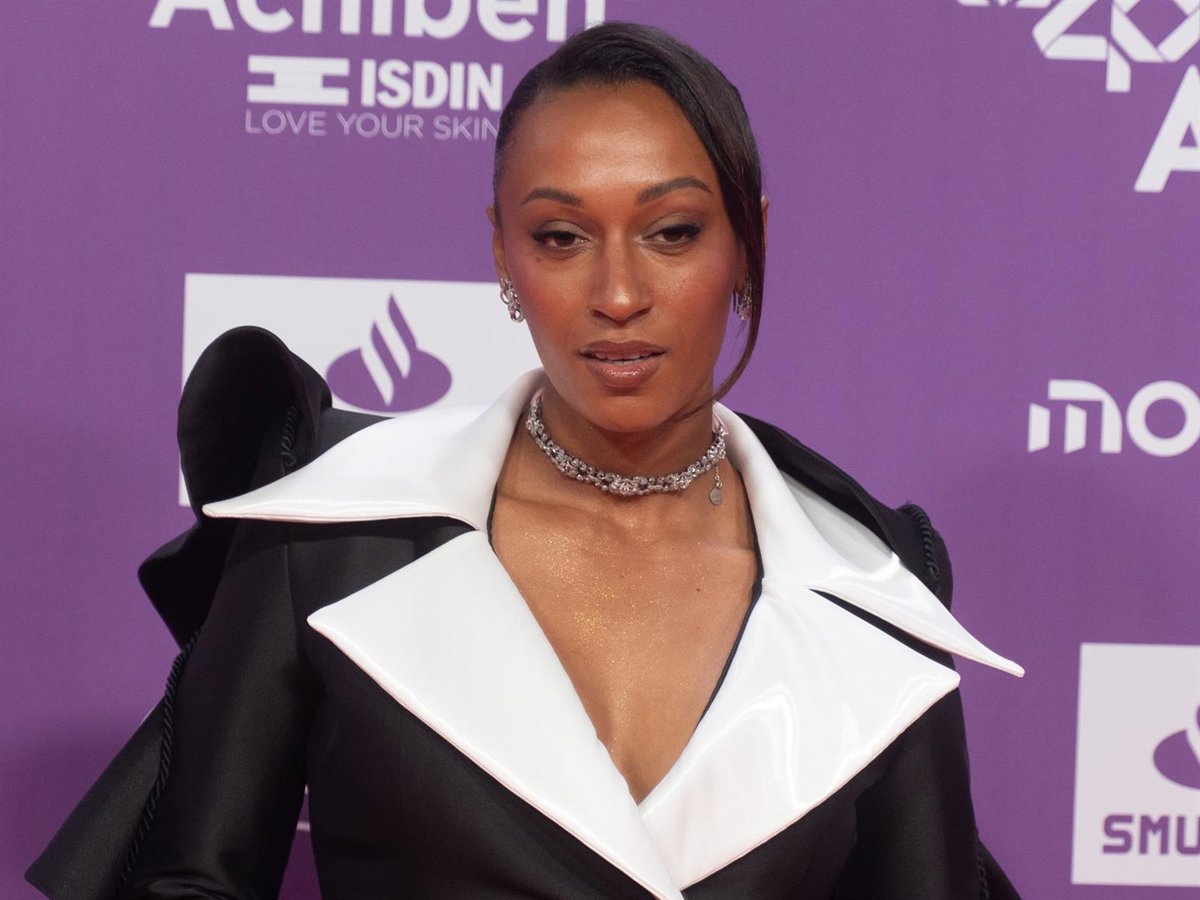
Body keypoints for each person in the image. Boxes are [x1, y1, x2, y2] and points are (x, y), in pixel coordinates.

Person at [29, 22, 1023, 900]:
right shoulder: (335, 535)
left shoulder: (869, 588)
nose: (619, 294)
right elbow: (193, 882)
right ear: (504, 255)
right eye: (560, 237)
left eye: (672, 232)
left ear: (747, 245)